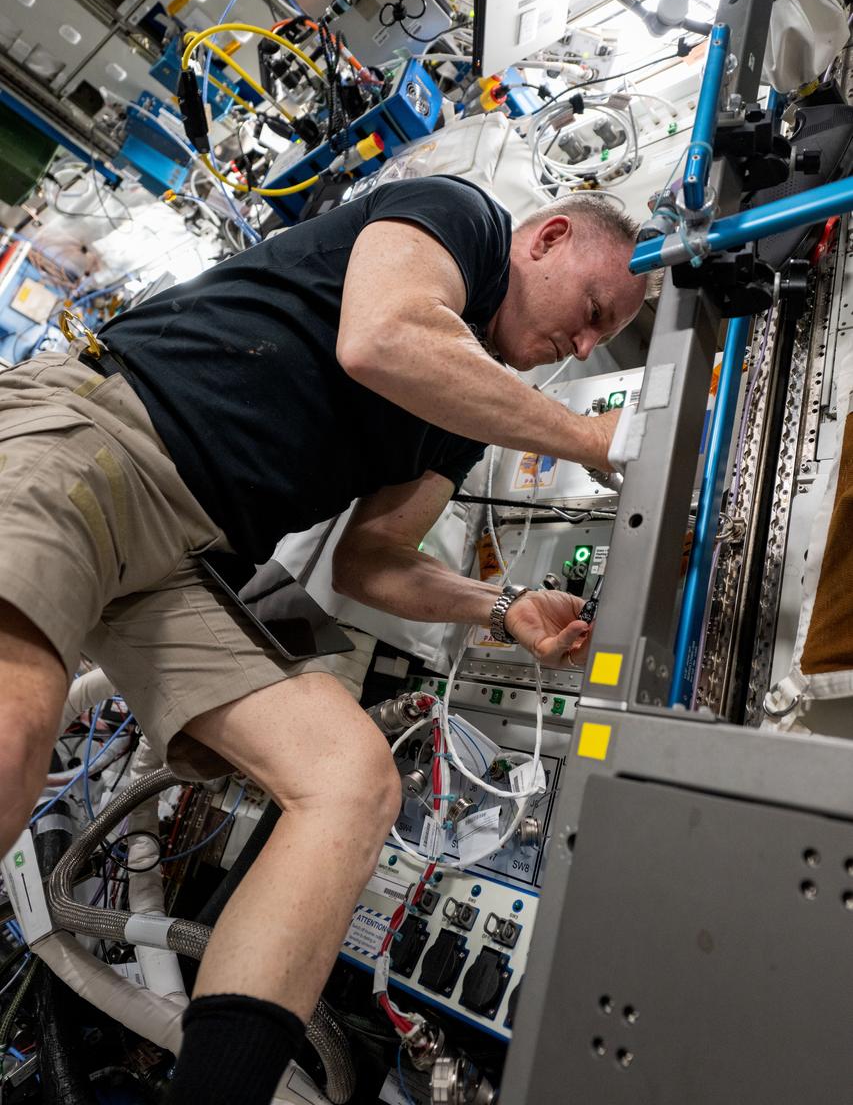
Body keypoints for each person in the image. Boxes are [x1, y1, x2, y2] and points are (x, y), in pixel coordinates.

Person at [0, 174, 645, 1105]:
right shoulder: (460, 219)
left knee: (348, 780)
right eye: (590, 312)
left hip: (184, 557)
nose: (582, 344)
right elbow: (381, 337)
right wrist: (593, 437)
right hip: (99, 446)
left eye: (600, 340)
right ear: (544, 241)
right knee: (18, 734)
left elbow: (370, 564)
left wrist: (497, 608)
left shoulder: (462, 420)